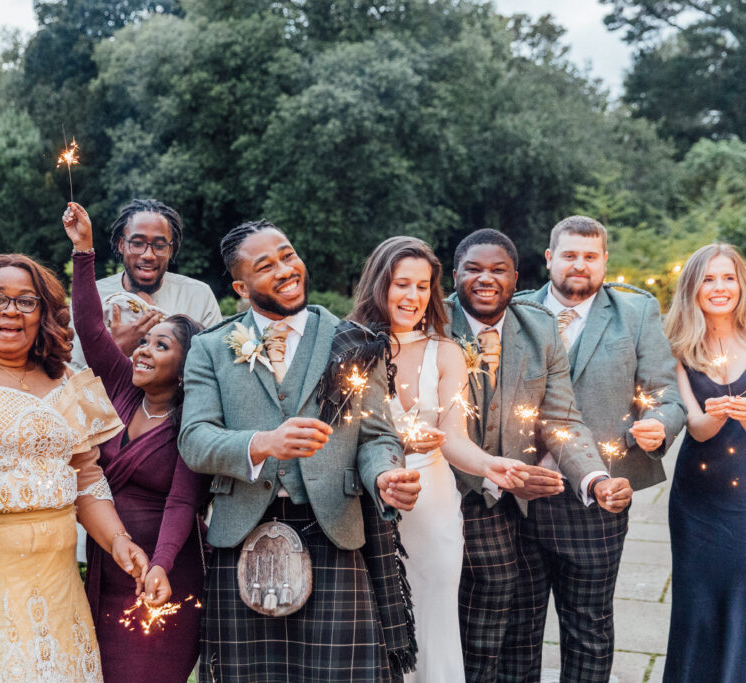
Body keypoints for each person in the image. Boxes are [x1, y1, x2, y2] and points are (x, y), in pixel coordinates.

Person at [178, 219, 423, 682]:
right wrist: (262, 443)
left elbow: (376, 437)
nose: (285, 270)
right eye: (265, 265)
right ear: (241, 285)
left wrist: (385, 476)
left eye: (288, 255)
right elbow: (194, 440)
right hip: (242, 537)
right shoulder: (210, 349)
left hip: (332, 529)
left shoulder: (353, 342)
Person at [0, 253, 154, 682]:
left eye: (26, 302)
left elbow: (88, 477)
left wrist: (117, 541)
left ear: (44, 314)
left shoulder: (70, 380)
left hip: (56, 572)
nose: (11, 312)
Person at [503, 216, 684, 682]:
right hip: (516, 494)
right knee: (516, 629)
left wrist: (657, 425)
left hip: (599, 493)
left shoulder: (636, 312)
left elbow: (667, 393)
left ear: (605, 260)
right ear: (549, 259)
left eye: (589, 256)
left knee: (589, 628)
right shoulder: (513, 310)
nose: (579, 265)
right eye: (569, 255)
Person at [445, 229, 629, 683]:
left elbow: (563, 418)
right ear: (454, 277)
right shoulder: (433, 322)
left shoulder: (539, 326)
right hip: (442, 490)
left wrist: (595, 480)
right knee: (471, 621)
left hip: (512, 506)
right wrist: (493, 476)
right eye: (473, 269)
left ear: (516, 277)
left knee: (509, 628)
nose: (486, 279)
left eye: (498, 270)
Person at [349, 236, 529, 683]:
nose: (413, 297)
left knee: (433, 619)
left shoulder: (445, 352)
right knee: (367, 626)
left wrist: (488, 464)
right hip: (364, 504)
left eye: (423, 286)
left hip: (431, 507)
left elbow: (453, 437)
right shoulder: (346, 345)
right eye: (401, 284)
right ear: (378, 284)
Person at [63, 202, 210, 683]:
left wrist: (161, 566)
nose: (144, 348)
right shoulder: (124, 390)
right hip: (107, 566)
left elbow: (182, 501)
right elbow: (89, 327)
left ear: (189, 366)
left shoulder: (192, 422)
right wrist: (82, 251)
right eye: (146, 342)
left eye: (161, 345)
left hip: (164, 571)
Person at [662, 243, 746, 683]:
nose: (719, 287)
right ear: (693, 287)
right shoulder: (678, 347)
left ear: (741, 284)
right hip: (698, 502)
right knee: (697, 607)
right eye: (708, 278)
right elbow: (695, 427)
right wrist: (715, 414)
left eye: (728, 277)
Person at [69, 198, 222, 366]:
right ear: (121, 245)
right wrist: (115, 350)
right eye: (137, 243)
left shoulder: (198, 296)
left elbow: (213, 367)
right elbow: (74, 372)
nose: (148, 255)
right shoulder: (92, 297)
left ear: (171, 249)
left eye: (160, 245)